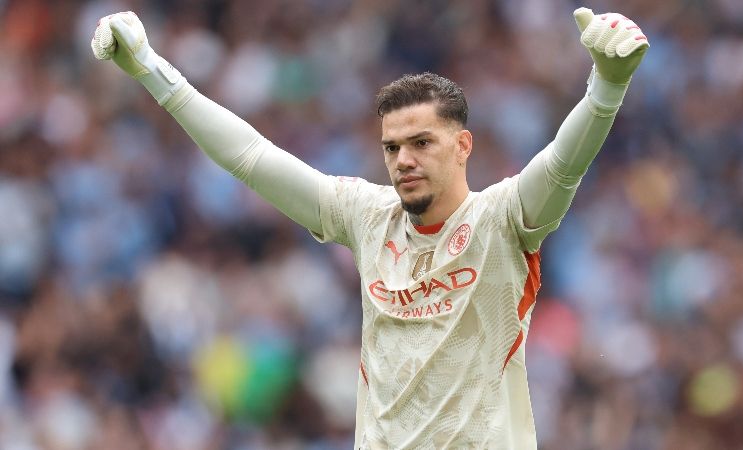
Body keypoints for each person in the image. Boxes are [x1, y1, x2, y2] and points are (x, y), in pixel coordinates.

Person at [91, 6, 648, 448]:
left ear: (463, 146)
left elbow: (562, 164)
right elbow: (252, 158)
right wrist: (151, 69)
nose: (403, 159)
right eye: (392, 147)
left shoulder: (502, 219)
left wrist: (607, 84)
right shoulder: (366, 215)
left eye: (422, 143)